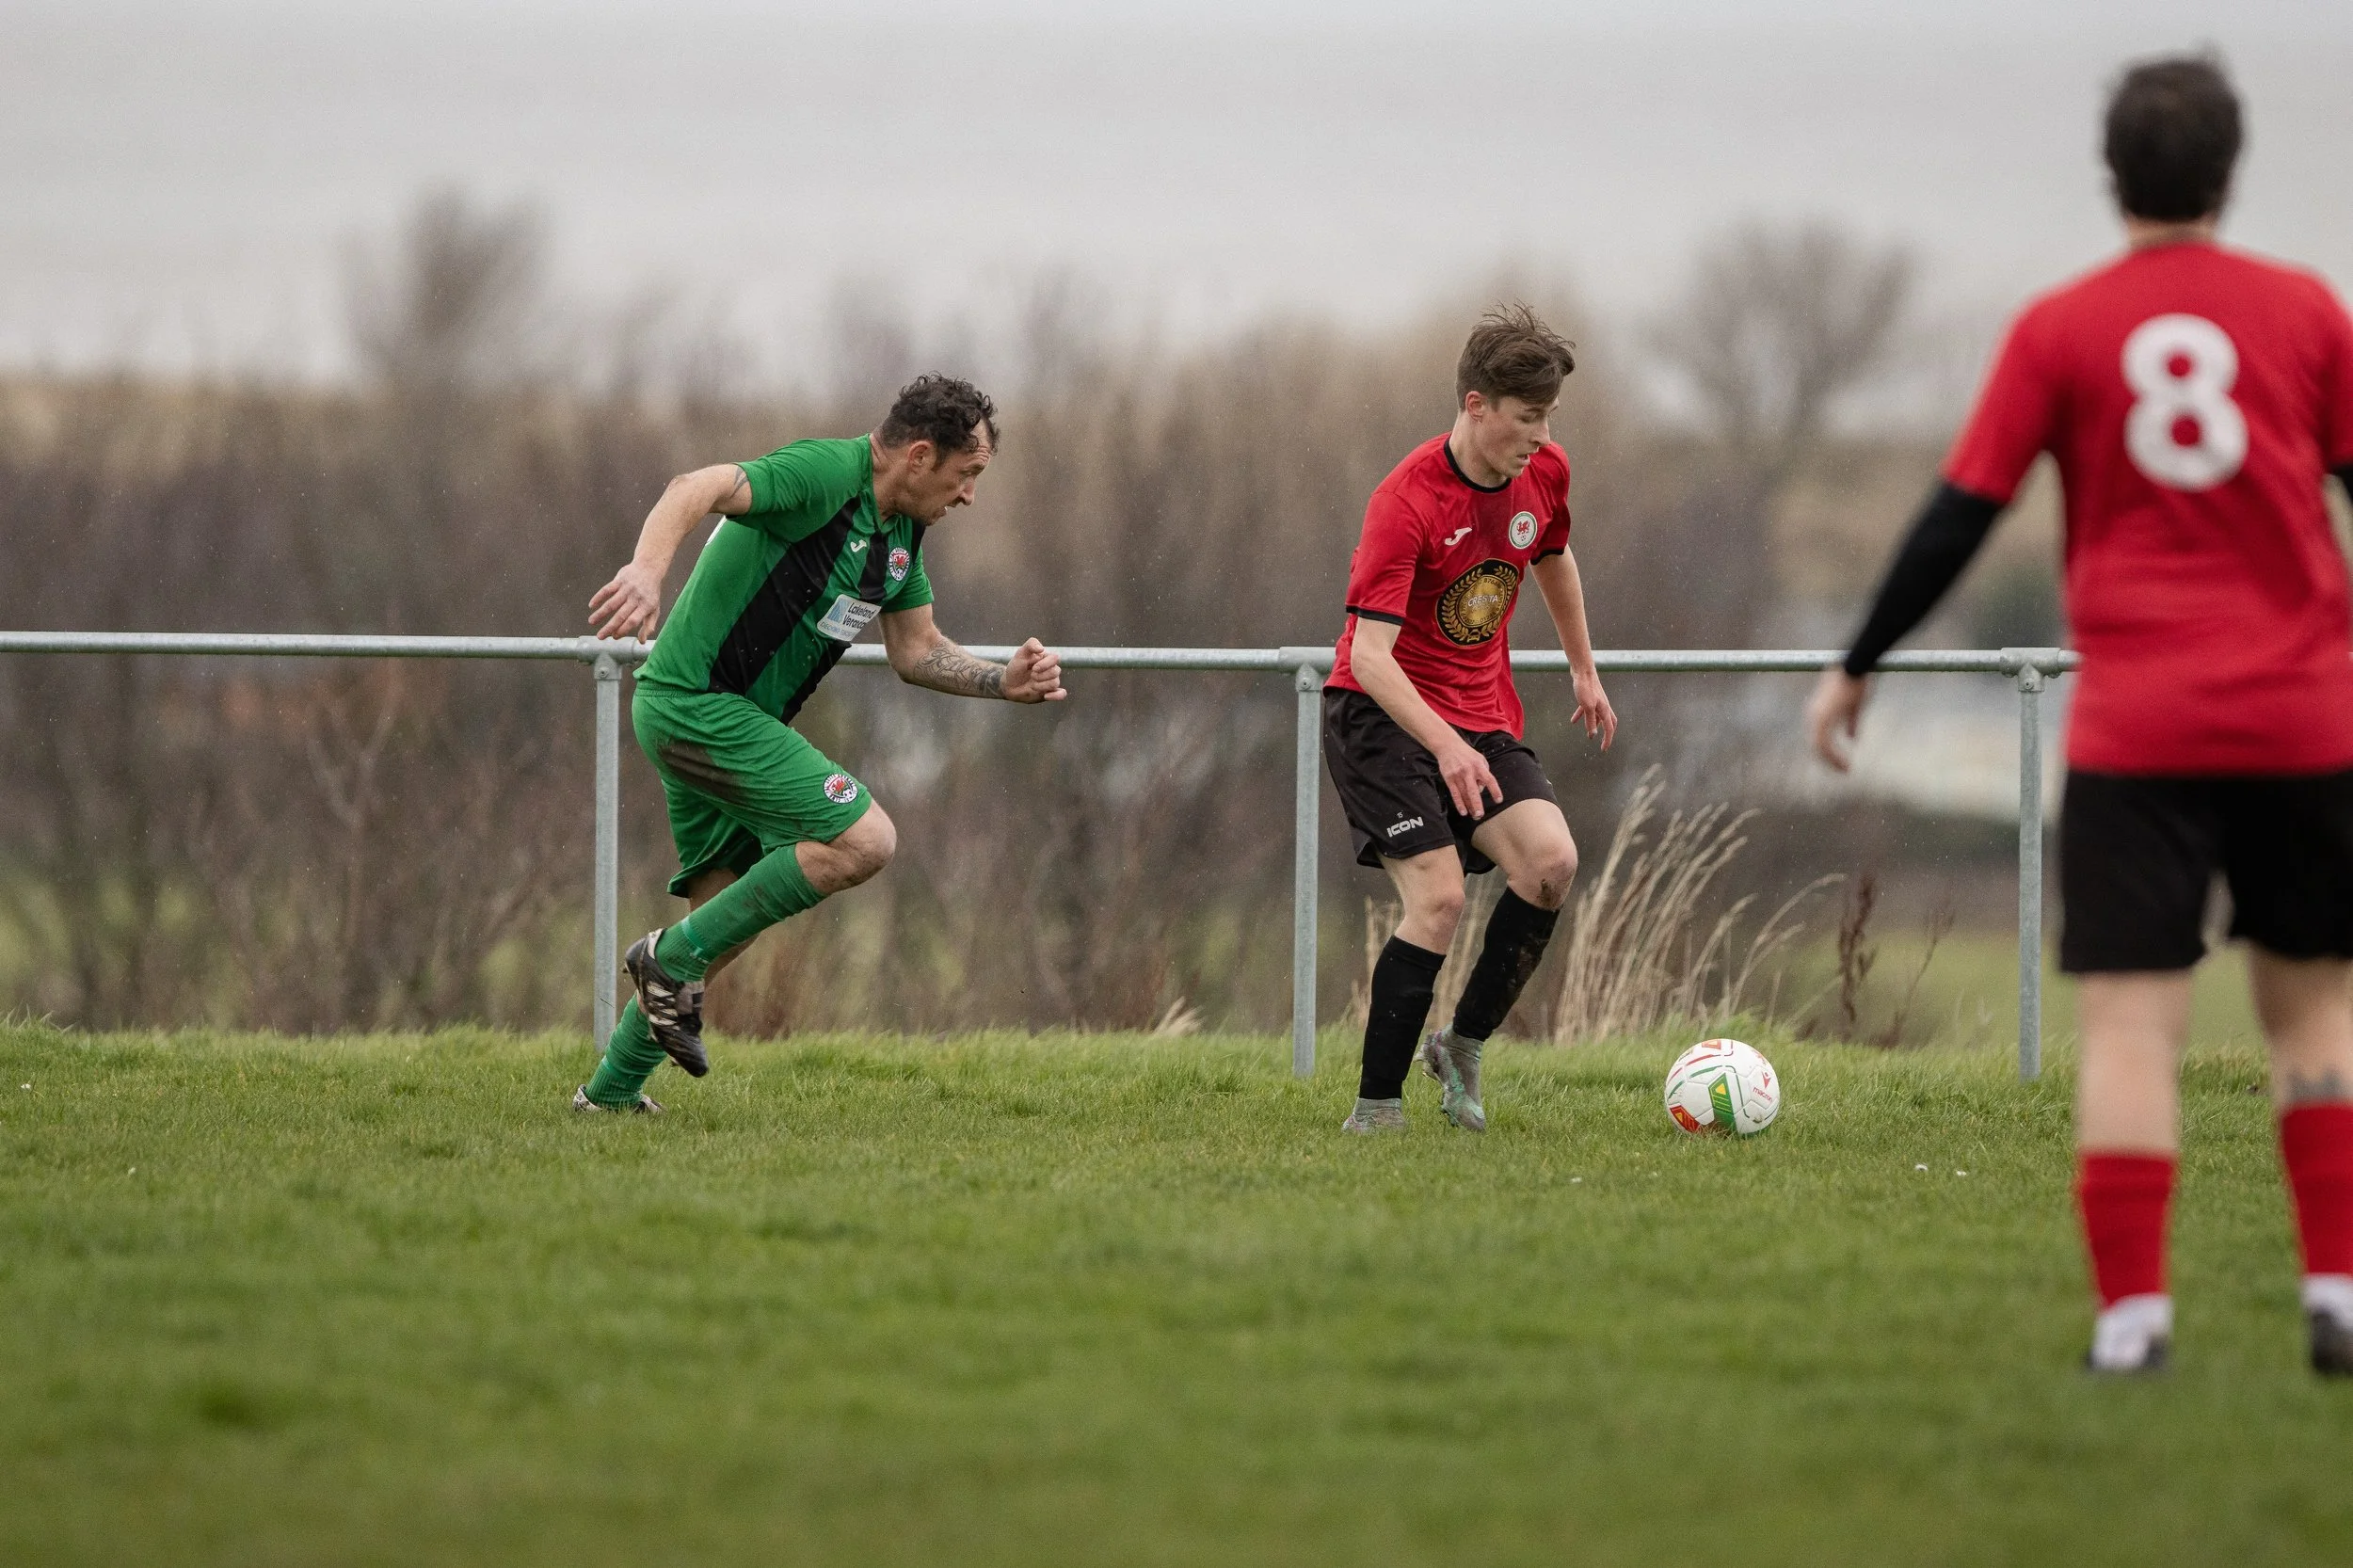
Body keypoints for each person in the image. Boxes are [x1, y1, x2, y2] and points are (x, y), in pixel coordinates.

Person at [1807, 56, 2353, 1374]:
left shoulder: (2062, 330)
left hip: (2138, 731)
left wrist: (1860, 659)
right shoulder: (2307, 314)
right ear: (2228, 171)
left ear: (2115, 177)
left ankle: (2133, 1322)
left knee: (2126, 1025)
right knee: (2316, 1015)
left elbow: (1960, 513)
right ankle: (2335, 1298)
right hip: (2300, 720)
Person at [575, 375, 1065, 1112]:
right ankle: (663, 961)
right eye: (968, 476)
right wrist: (646, 572)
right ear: (921, 456)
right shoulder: (823, 475)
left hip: (734, 726)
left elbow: (916, 650)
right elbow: (695, 485)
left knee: (718, 927)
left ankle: (609, 1095)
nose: (970, 496)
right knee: (864, 841)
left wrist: (1004, 683)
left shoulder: (901, 535)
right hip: (695, 706)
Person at [1323, 304, 1618, 1135]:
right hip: (1379, 713)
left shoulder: (1545, 472)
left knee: (1551, 864)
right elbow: (1372, 656)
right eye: (1528, 417)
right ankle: (1376, 1109)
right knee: (1441, 899)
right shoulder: (1405, 500)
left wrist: (1584, 668)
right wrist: (1445, 747)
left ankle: (1460, 1045)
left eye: (1550, 417)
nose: (1541, 433)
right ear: (1476, 403)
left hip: (1477, 715)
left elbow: (1553, 559)